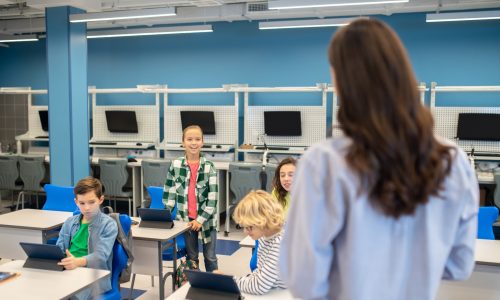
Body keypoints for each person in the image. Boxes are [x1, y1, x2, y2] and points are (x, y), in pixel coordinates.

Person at [280, 18, 478, 300]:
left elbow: (304, 281)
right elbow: (459, 266)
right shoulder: (452, 161)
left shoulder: (324, 163)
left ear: (341, 80)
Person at [163, 125, 219, 272]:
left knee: (210, 257)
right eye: (189, 139)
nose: (193, 143)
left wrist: (200, 220)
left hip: (207, 221)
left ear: (202, 142)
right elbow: (169, 193)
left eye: (197, 139)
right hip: (186, 221)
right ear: (183, 142)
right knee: (191, 257)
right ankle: (195, 288)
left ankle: (213, 289)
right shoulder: (175, 165)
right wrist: (165, 216)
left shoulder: (209, 167)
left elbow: (213, 199)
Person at [56, 176, 118, 299]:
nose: (87, 208)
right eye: (82, 203)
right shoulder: (69, 222)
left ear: (101, 200)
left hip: (94, 275)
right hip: (68, 269)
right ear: (76, 202)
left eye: (91, 202)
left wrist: (77, 262)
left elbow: (101, 255)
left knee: (70, 296)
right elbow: (59, 248)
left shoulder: (108, 224)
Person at [233, 190, 287, 295]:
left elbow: (259, 286)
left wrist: (230, 281)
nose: (245, 232)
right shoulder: (264, 236)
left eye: (249, 227)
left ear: (264, 221)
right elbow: (260, 272)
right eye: (244, 227)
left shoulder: (280, 244)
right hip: (276, 290)